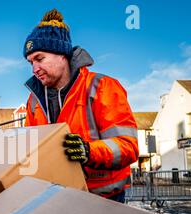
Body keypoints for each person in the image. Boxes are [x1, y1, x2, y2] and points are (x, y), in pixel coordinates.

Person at [23, 9, 139, 203]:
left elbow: (128, 146)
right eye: (30, 62)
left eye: (39, 58)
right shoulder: (33, 100)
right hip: (57, 196)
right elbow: (30, 149)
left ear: (62, 55)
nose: (34, 69)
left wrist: (88, 151)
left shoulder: (102, 87)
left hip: (105, 199)